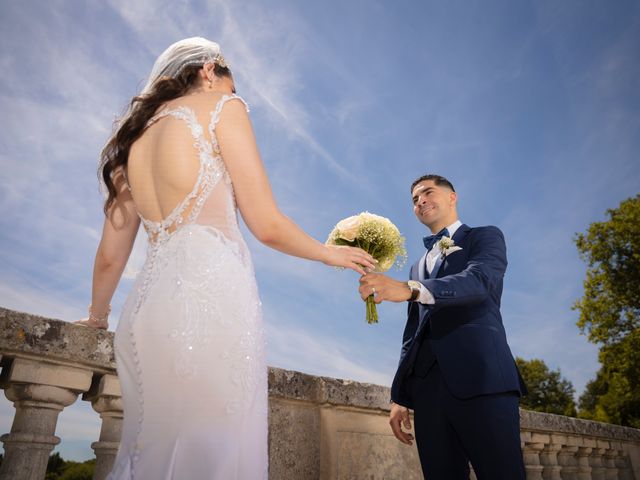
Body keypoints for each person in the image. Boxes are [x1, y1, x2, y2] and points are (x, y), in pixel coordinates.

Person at [75, 37, 375, 479]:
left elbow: (108, 257)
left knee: (152, 447)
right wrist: (327, 253)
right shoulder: (222, 109)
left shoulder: (132, 144)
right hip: (213, 296)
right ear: (210, 70)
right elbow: (266, 223)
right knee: (214, 451)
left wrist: (97, 316)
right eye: (230, 85)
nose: (234, 95)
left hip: (146, 312)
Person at [358, 174, 526, 479]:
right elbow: (413, 333)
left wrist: (410, 289)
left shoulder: (485, 236)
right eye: (414, 199)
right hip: (427, 391)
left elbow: (479, 281)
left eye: (428, 192)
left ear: (452, 197)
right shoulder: (416, 265)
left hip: (482, 378)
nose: (420, 200)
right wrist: (399, 395)